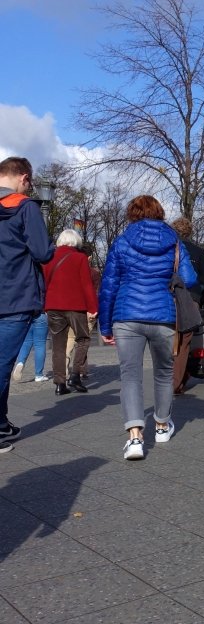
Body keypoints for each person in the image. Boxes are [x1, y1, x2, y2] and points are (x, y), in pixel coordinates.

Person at [99, 196, 196, 460]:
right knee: (164, 373)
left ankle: (135, 439)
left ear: (132, 214)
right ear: (159, 213)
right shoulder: (174, 241)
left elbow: (109, 286)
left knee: (130, 375)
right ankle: (162, 426)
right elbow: (189, 278)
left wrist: (105, 325)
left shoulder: (121, 241)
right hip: (163, 316)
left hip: (127, 315)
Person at [0, 157, 54, 452]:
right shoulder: (25, 207)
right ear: (23, 178)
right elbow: (42, 252)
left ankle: (1, 425)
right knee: (2, 364)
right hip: (15, 296)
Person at [44, 229, 98, 395]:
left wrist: (44, 305)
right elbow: (87, 285)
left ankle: (60, 384)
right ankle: (75, 374)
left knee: (58, 346)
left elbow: (44, 283)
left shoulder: (48, 259)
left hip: (53, 306)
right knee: (83, 339)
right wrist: (93, 308)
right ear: (76, 242)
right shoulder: (80, 258)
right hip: (75, 306)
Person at [170, 217, 204, 395]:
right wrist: (200, 299)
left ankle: (165, 380)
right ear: (190, 232)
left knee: (168, 338)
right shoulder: (199, 252)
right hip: (190, 298)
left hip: (169, 296)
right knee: (185, 341)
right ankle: (177, 383)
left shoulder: (167, 248)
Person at [66, 243, 101, 379]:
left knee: (70, 339)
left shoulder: (70, 270)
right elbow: (96, 292)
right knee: (84, 340)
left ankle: (66, 365)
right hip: (88, 309)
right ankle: (80, 370)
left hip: (72, 308)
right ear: (90, 257)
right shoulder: (94, 272)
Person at [13, 313, 49, 383]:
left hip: (27, 316)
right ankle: (39, 375)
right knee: (40, 344)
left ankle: (20, 362)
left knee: (26, 342)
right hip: (40, 314)